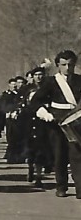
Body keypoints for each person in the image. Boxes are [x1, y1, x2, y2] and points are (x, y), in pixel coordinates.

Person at [29, 49, 81, 198]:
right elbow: (36, 101)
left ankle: (80, 188)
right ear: (58, 65)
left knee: (77, 155)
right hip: (56, 123)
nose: (67, 68)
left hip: (76, 122)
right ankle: (61, 186)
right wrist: (44, 114)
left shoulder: (79, 80)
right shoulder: (50, 82)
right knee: (59, 155)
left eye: (70, 65)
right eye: (63, 65)